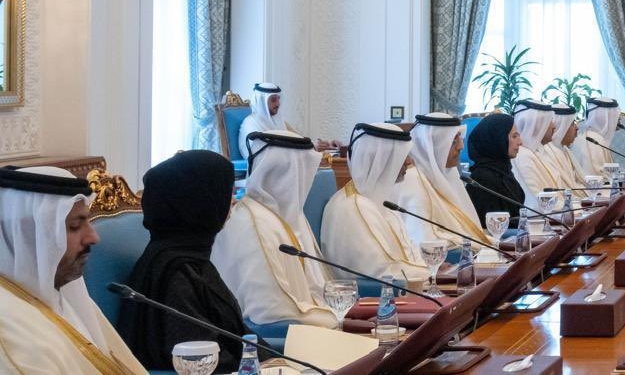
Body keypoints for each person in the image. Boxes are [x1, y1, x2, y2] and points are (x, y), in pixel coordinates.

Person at [0, 165, 147, 373]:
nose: (93, 237)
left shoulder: (63, 295)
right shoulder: (8, 332)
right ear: (27, 235)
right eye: (75, 226)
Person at [117, 151, 245, 371]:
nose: (233, 200)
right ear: (201, 202)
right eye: (225, 192)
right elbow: (198, 359)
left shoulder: (191, 256)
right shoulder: (175, 272)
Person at [213, 131, 340, 329]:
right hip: (278, 339)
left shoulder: (290, 217)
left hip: (309, 326)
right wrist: (338, 320)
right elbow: (272, 311)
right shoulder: (255, 225)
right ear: (289, 173)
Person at [320, 123, 430, 283]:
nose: (408, 161)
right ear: (382, 159)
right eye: (402, 155)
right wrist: (430, 273)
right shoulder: (353, 208)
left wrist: (430, 267)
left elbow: (408, 252)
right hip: (373, 294)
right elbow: (380, 271)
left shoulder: (379, 201)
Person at [395, 113, 488, 244]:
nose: (461, 146)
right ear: (432, 145)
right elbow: (423, 241)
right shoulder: (412, 180)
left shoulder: (450, 173)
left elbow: (467, 230)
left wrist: (494, 244)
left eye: (460, 139)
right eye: (453, 141)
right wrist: (476, 245)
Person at [464, 113, 525, 225]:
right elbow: (491, 226)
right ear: (498, 139)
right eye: (514, 136)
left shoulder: (504, 171)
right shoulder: (482, 180)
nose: (520, 142)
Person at [572, 98, 622, 178]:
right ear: (605, 118)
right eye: (616, 116)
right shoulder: (594, 140)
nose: (619, 120)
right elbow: (598, 175)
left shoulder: (590, 136)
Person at [543, 105, 589, 189]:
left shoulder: (564, 149)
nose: (577, 127)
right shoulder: (547, 152)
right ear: (561, 126)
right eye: (572, 124)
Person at [236, 82, 286, 159]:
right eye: (273, 100)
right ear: (262, 102)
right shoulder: (250, 123)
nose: (278, 104)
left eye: (278, 99)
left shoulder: (277, 120)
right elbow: (258, 154)